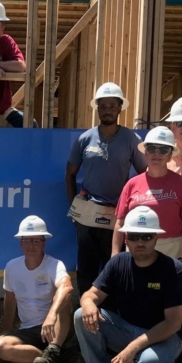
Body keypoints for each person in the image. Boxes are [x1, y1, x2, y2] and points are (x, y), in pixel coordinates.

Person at [75, 207, 182, 363]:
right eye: (135, 236)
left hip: (166, 337)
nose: (140, 242)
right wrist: (87, 303)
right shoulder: (118, 262)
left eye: (146, 237)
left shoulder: (173, 270)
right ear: (126, 238)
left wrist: (131, 348)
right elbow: (91, 294)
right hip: (127, 330)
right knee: (80, 316)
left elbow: (173, 323)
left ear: (156, 238)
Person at [66, 82, 146, 293]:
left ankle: (110, 319)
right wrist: (73, 208)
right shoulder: (85, 139)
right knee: (86, 270)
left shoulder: (130, 139)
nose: (108, 110)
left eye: (112, 105)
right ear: (97, 108)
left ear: (120, 108)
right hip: (88, 214)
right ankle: (84, 317)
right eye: (103, 105)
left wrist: (133, 206)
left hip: (117, 217)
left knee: (114, 268)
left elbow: (145, 175)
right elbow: (70, 174)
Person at [0, 215, 74, 363]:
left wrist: (51, 316)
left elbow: (67, 287)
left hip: (55, 328)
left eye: (36, 240)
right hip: (28, 330)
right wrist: (7, 329)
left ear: (44, 243)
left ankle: (55, 349)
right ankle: (48, 358)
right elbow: (10, 299)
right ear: (21, 243)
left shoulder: (54, 265)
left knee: (63, 297)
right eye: (27, 240)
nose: (31, 245)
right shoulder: (12, 266)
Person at [113, 126, 182, 273]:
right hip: (135, 251)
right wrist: (114, 259)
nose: (157, 154)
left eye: (164, 149)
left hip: (171, 252)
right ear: (145, 152)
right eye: (152, 148)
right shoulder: (132, 184)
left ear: (170, 155)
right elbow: (120, 223)